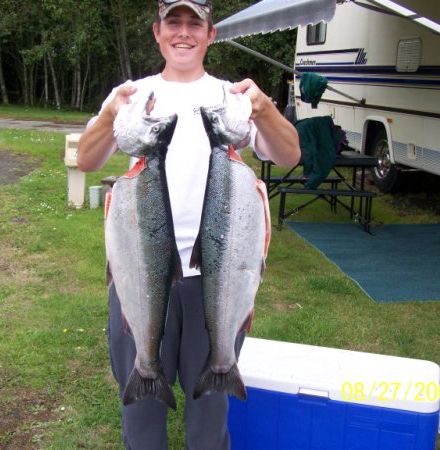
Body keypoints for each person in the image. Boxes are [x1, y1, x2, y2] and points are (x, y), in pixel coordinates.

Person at [77, 1, 300, 448]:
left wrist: (265, 109)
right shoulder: (131, 95)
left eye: (194, 24)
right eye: (173, 23)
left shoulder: (233, 98)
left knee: (209, 419)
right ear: (157, 32)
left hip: (216, 280)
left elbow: (290, 155)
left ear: (211, 34)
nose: (183, 33)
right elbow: (86, 159)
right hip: (139, 276)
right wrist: (108, 116)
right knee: (140, 418)